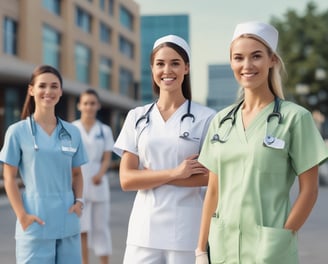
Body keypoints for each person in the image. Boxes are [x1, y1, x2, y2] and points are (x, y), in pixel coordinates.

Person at [195, 21, 328, 264]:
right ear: (232, 62)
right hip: (223, 248)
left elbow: (309, 191)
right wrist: (201, 250)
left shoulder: (295, 118)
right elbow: (213, 191)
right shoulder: (221, 122)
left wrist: (282, 238)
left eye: (256, 56)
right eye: (239, 58)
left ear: (272, 60)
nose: (246, 65)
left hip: (270, 251)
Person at [113, 34, 216, 264]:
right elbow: (127, 180)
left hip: (186, 232)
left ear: (187, 68)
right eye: (160, 64)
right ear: (152, 68)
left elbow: (211, 177)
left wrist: (149, 176)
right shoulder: (137, 117)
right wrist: (175, 173)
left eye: (175, 63)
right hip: (143, 231)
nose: (167, 70)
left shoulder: (206, 117)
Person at [0, 65, 88, 263]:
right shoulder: (17, 132)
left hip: (68, 220)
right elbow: (9, 177)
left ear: (60, 92)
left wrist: (79, 202)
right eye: (42, 86)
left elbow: (76, 173)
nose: (48, 91)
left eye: (54, 86)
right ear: (31, 90)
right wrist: (22, 215)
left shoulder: (72, 132)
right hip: (34, 223)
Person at [73, 89, 114, 264]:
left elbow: (107, 157)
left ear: (98, 105)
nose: (89, 107)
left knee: (100, 229)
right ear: (79, 106)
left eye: (92, 103)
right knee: (81, 230)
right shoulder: (72, 128)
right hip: (78, 183)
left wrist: (99, 174)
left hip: (98, 182)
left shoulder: (104, 130)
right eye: (86, 103)